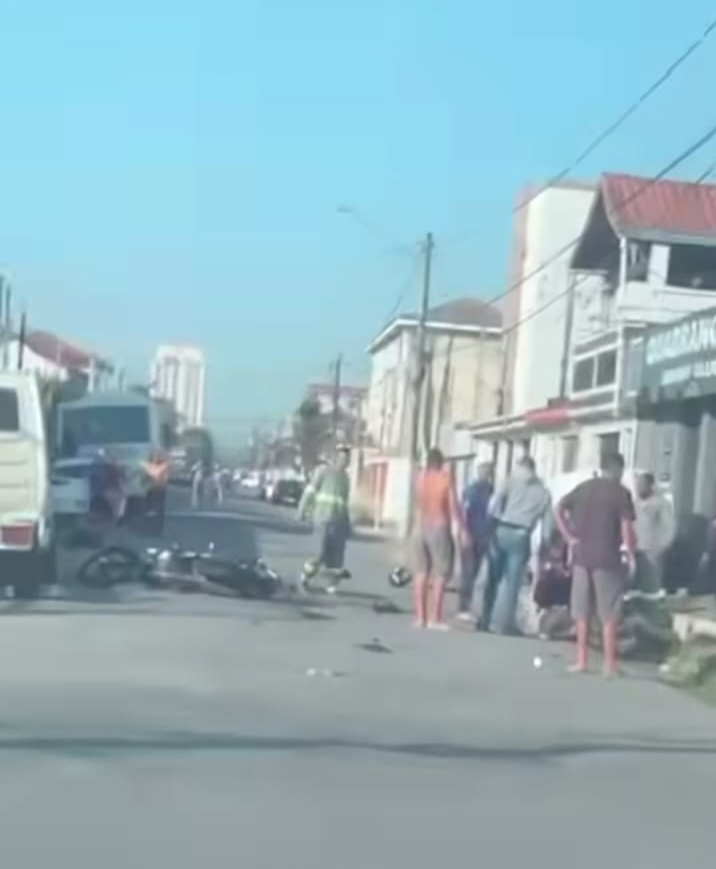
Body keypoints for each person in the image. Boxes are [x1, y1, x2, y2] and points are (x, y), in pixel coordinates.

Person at [556, 452, 636, 676]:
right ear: (618, 469)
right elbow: (626, 527)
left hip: (582, 556)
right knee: (609, 612)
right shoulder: (621, 493)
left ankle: (581, 661)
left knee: (582, 611)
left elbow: (558, 509)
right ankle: (609, 664)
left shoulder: (584, 488)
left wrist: (570, 538)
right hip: (607, 558)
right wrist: (629, 554)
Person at [485, 456, 551, 635]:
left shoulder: (510, 481)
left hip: (503, 528)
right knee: (512, 583)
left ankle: (487, 618)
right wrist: (545, 543)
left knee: (493, 577)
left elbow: (493, 504)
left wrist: (493, 522)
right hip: (522, 534)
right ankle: (504, 624)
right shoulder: (543, 492)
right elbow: (547, 525)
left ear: (520, 466)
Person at [412, 447, 468, 630]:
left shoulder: (420, 478)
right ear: (441, 462)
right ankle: (435, 618)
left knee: (421, 572)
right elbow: (452, 504)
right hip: (438, 526)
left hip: (421, 526)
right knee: (441, 573)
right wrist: (462, 528)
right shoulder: (444, 479)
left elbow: (418, 501)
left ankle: (421, 617)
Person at [297, 447, 352, 593]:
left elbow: (344, 503)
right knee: (319, 553)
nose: (344, 462)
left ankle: (332, 584)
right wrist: (302, 509)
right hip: (322, 518)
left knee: (336, 555)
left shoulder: (345, 478)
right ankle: (306, 576)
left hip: (338, 521)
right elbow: (310, 491)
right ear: (335, 458)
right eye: (342, 458)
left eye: (347, 460)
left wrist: (347, 524)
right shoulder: (323, 472)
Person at [456, 461, 494, 622]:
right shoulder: (471, 490)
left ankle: (467, 604)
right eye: (484, 472)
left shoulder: (492, 491)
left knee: (474, 571)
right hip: (471, 533)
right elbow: (464, 511)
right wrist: (464, 532)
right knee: (469, 571)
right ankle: (463, 606)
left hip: (483, 535)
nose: (486, 475)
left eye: (488, 472)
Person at [634, 472, 674, 598]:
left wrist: (659, 548)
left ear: (651, 485)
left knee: (652, 588)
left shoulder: (661, 504)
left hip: (653, 553)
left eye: (642, 484)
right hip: (637, 551)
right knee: (639, 588)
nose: (638, 487)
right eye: (637, 484)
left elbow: (668, 528)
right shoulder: (635, 503)